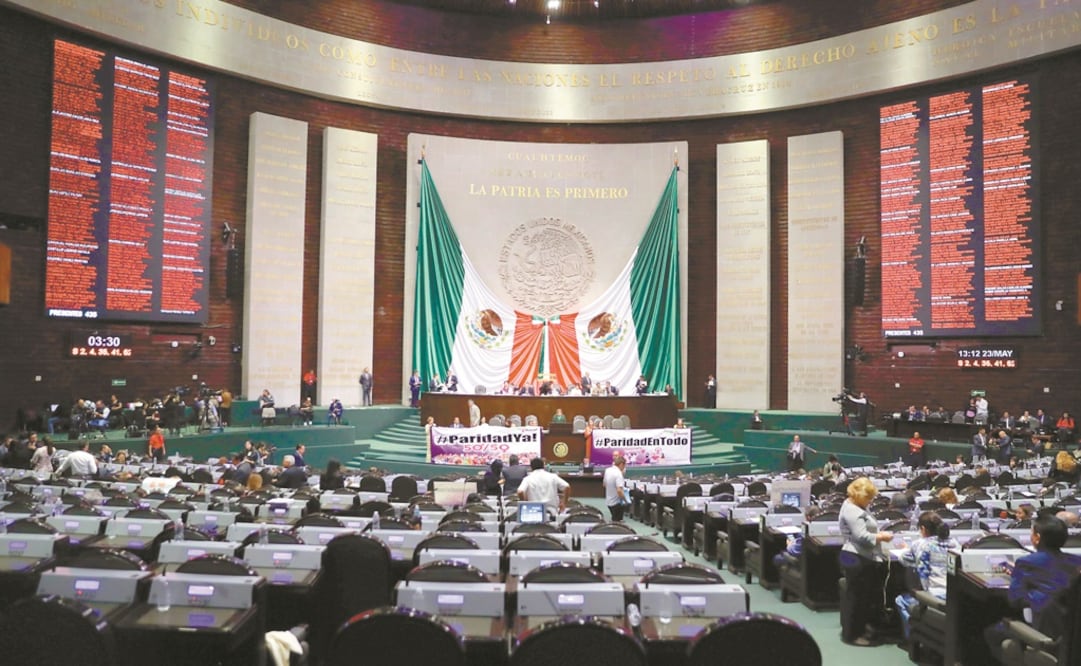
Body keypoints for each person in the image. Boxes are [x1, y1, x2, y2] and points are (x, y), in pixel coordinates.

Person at [984, 516, 1081, 661]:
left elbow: (1015, 600)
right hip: (1073, 639)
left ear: (1037, 538)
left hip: (1045, 637)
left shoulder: (1027, 562)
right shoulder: (1077, 562)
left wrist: (1030, 591)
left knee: (992, 633)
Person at [838, 477, 895, 646]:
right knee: (856, 598)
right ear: (859, 495)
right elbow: (861, 536)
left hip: (863, 556)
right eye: (868, 498)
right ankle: (852, 635)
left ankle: (863, 629)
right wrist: (881, 537)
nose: (871, 501)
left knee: (864, 597)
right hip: (855, 557)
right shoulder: (852, 510)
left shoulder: (858, 506)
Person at [895, 512, 959, 640]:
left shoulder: (920, 544)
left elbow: (904, 560)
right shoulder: (955, 543)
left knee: (900, 600)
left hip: (934, 598)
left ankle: (912, 637)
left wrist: (907, 549)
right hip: (955, 598)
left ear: (923, 529)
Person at [603, 454, 628, 521]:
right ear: (621, 464)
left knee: (614, 520)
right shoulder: (618, 474)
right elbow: (619, 491)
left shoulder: (607, 470)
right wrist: (625, 500)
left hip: (609, 501)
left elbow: (604, 484)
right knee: (617, 523)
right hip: (617, 503)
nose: (624, 467)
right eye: (624, 465)